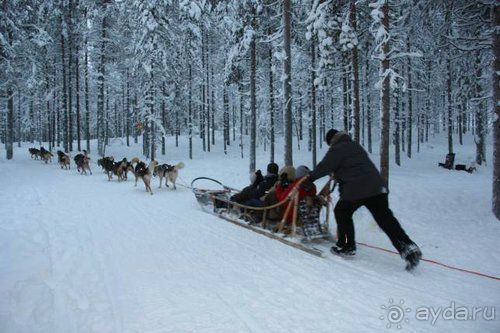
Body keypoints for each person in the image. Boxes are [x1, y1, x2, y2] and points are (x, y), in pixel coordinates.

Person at [308, 129, 422, 271]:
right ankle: (408, 248)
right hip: (377, 188)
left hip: (357, 189)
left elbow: (324, 166)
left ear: (331, 140)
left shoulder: (337, 148)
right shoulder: (354, 145)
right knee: (386, 220)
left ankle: (346, 246)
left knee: (342, 211)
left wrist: (309, 178)